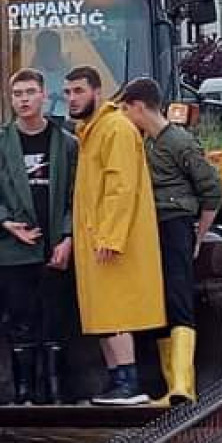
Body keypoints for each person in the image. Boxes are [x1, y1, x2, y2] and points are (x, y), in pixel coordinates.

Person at [0, 68, 78, 405]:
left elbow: (77, 196)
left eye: (30, 92)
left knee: (56, 319)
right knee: (19, 320)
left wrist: (67, 237)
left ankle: (55, 389)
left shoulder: (67, 143)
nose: (24, 99)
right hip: (14, 251)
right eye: (17, 94)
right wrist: (4, 223)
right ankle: (23, 392)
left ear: (44, 95)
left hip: (55, 246)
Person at [120, 77, 222, 405]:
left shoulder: (179, 141)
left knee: (179, 298)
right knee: (160, 301)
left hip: (176, 224)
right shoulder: (145, 143)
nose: (124, 115)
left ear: (138, 106)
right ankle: (170, 386)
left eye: (125, 108)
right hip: (150, 229)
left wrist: (199, 234)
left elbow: (212, 190)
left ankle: (183, 384)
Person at [64, 66, 165, 405]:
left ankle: (129, 383)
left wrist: (110, 236)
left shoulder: (115, 129)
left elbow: (121, 187)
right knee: (105, 313)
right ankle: (116, 381)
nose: (72, 98)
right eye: (68, 92)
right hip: (95, 238)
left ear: (97, 91)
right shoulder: (92, 131)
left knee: (117, 311)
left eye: (79, 91)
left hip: (110, 241)